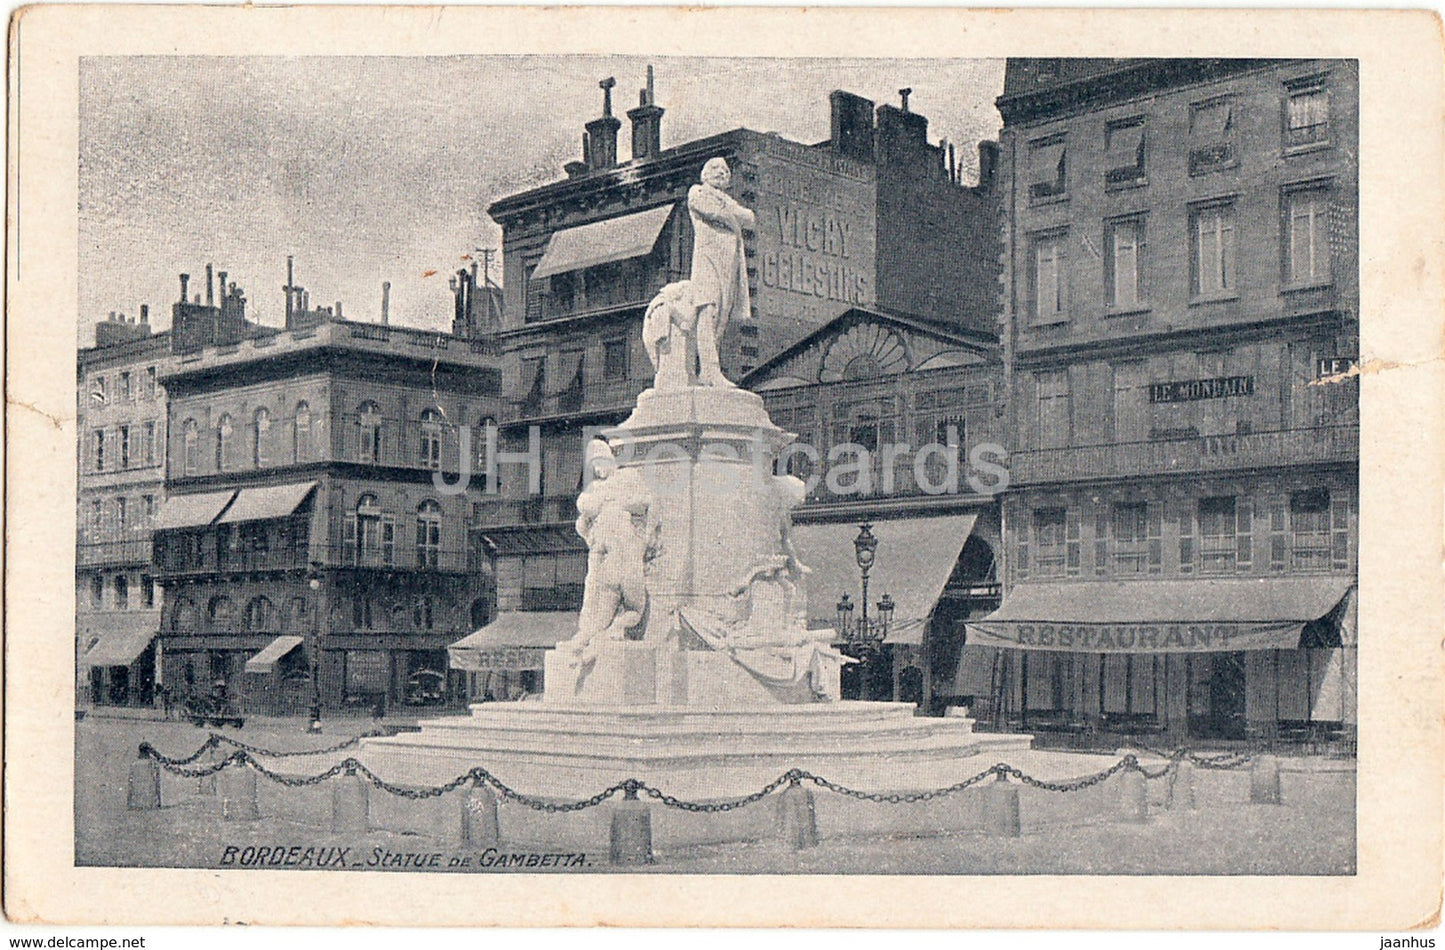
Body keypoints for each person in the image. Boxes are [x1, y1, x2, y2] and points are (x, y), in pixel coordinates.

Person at [686, 157, 755, 387]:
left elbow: (750, 218)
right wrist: (731, 218)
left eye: (726, 171)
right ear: (705, 173)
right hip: (708, 262)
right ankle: (709, 369)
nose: (722, 173)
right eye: (716, 168)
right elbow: (714, 212)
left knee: (723, 317)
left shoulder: (726, 199)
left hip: (729, 266)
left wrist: (730, 216)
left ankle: (710, 370)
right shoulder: (697, 191)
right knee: (709, 310)